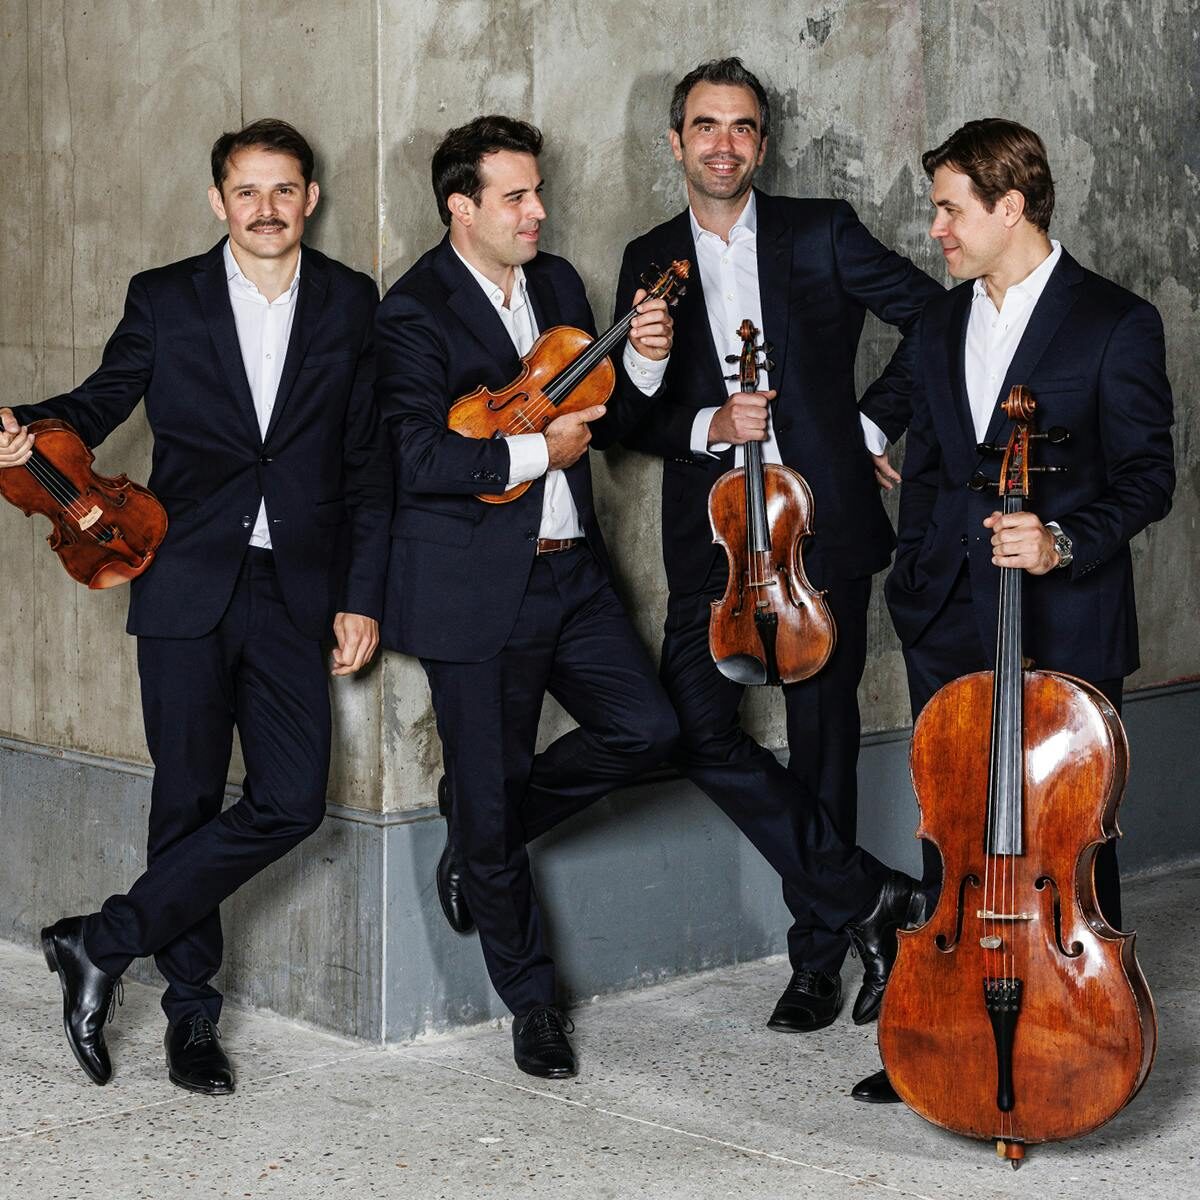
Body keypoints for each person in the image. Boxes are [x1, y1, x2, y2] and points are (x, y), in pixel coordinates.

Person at [0, 119, 391, 1094]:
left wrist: (361, 597)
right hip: (183, 575)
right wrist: (27, 427)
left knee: (291, 800)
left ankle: (100, 941)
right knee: (186, 797)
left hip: (297, 586)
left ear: (310, 198)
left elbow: (367, 460)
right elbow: (101, 399)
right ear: (219, 201)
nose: (266, 208)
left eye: (284, 189)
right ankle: (192, 1017)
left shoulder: (350, 301)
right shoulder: (165, 297)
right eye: (246, 191)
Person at [852, 117, 1175, 1104]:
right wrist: (912, 561)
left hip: (1065, 616)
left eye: (951, 209)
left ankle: (1084, 1036)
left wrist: (1061, 538)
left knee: (1069, 844)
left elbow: (1150, 476)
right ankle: (937, 1033)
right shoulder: (941, 321)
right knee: (952, 829)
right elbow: (926, 454)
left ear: (1010, 207)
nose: (936, 229)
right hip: (947, 608)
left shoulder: (1115, 321)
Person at [615, 58, 939, 1035]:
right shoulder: (650, 257)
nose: (724, 144)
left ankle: (816, 962)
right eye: (705, 126)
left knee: (823, 743)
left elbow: (939, 317)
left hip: (819, 533)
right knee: (693, 727)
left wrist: (870, 425)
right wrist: (708, 422)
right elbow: (628, 414)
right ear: (676, 142)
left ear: (763, 142)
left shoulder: (822, 231)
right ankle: (870, 899)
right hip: (715, 545)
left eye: (743, 127)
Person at [375, 113, 680, 1080]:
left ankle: (479, 827)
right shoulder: (412, 309)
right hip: (474, 589)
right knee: (493, 790)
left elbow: (605, 418)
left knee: (649, 731)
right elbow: (416, 454)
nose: (538, 210)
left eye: (538, 191)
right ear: (460, 208)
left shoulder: (558, 286)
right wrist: (530, 453)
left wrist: (645, 357)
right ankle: (533, 1005)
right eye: (516, 196)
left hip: (572, 571)